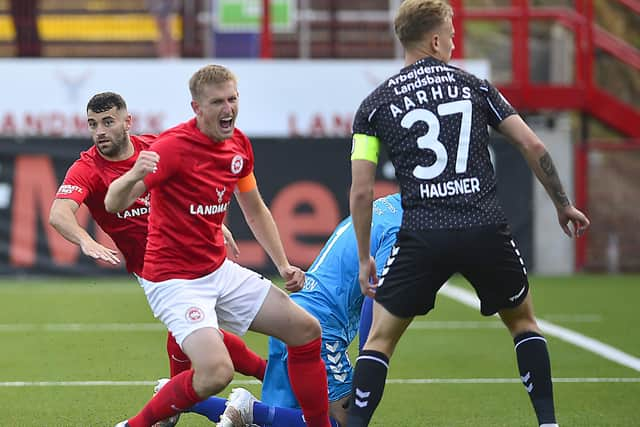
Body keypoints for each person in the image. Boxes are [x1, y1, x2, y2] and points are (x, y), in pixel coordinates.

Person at [345, 1, 591, 427]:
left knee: (380, 341)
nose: (455, 40)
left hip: (422, 235)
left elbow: (362, 190)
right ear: (436, 40)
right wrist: (562, 203)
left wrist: (366, 254)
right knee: (524, 323)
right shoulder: (474, 87)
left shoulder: (374, 105)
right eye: (453, 31)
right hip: (483, 229)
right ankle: (549, 423)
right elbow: (533, 146)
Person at [105, 65, 331, 427]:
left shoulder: (238, 144)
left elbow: (255, 209)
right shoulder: (173, 148)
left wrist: (283, 264)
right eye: (217, 102)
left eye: (232, 99)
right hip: (173, 281)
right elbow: (113, 204)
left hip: (218, 271)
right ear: (196, 108)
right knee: (216, 372)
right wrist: (132, 174)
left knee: (306, 330)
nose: (227, 109)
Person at [49, 91, 268, 427]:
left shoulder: (154, 147)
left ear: (127, 122)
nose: (100, 131)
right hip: (157, 270)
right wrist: (85, 240)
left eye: (108, 122)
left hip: (192, 255)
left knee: (196, 330)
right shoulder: (88, 167)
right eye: (93, 124)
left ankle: (175, 402)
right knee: (196, 332)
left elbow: (193, 184)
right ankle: (192, 395)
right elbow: (59, 212)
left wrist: (216, 222)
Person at [188, 193, 402, 427]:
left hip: (297, 312)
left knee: (275, 420)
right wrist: (368, 360)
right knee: (342, 422)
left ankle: (183, 397)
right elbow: (376, 297)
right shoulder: (398, 229)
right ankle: (247, 409)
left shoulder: (382, 206)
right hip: (322, 326)